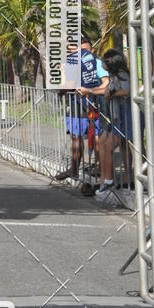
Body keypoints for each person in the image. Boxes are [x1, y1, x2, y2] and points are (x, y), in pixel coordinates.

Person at [56, 36, 109, 182]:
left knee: (96, 138)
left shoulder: (96, 62)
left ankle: (99, 169)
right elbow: (68, 85)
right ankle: (74, 169)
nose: (81, 52)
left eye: (85, 49)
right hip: (75, 106)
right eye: (78, 49)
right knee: (76, 137)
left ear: (92, 49)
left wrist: (90, 91)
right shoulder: (71, 63)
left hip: (93, 106)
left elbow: (106, 82)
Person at [96, 50, 135, 193]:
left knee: (108, 145)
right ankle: (124, 179)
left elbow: (127, 91)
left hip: (126, 114)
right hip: (117, 116)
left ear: (111, 62)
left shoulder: (122, 74)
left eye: (104, 61)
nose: (102, 63)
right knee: (119, 146)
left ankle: (109, 180)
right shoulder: (113, 76)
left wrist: (111, 93)